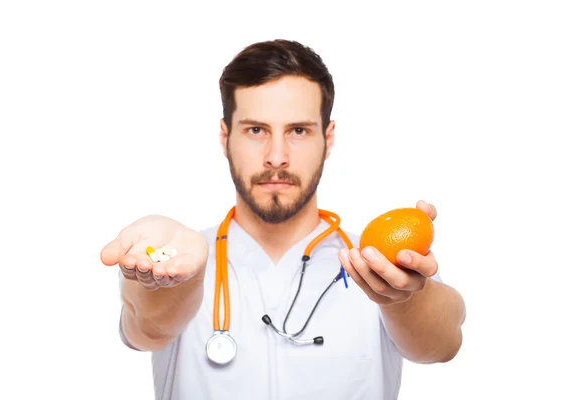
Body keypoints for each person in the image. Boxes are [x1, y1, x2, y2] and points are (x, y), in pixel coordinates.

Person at [100, 39, 466, 400]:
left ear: (328, 137)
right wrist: (170, 283)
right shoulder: (180, 257)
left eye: (299, 130)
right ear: (226, 137)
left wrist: (402, 298)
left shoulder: (377, 263)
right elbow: (144, 330)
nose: (277, 156)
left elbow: (443, 343)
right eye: (256, 130)